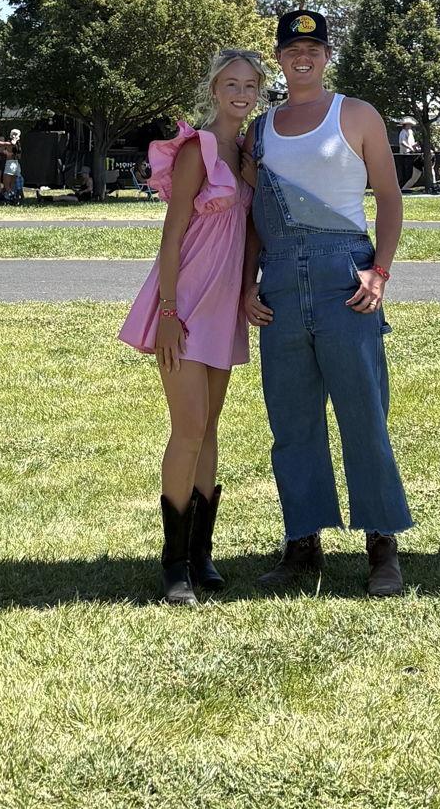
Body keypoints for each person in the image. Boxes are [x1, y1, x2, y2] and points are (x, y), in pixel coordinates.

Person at [242, 10, 411, 598]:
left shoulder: (356, 115)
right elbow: (253, 220)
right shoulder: (259, 130)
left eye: (313, 48)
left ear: (326, 55)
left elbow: (389, 199)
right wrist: (246, 286)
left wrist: (380, 272)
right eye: (292, 50)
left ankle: (382, 544)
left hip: (347, 278)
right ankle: (302, 543)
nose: (303, 58)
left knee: (364, 414)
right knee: (291, 422)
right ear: (281, 59)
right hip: (280, 282)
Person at [117, 47, 263, 605]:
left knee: (211, 429)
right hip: (184, 302)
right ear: (214, 88)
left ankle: (202, 554)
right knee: (189, 425)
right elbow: (172, 233)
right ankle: (173, 564)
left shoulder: (250, 152)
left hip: (225, 304)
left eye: (250, 85)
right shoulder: (195, 150)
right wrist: (170, 310)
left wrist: (248, 286)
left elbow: (251, 233)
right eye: (231, 83)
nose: (240, 94)